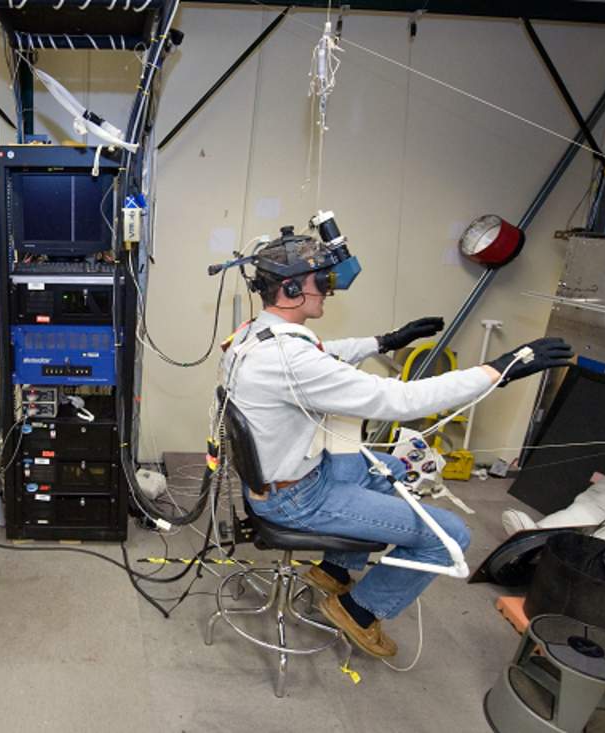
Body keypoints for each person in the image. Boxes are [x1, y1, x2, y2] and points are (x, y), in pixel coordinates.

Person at [220, 223, 572, 658]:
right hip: (296, 499)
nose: (330, 289)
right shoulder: (290, 360)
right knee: (450, 535)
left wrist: (385, 341)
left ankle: (334, 571)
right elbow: (400, 400)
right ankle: (359, 611)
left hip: (284, 479)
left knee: (389, 468)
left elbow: (320, 352)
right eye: (322, 281)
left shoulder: (254, 334)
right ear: (292, 289)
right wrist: (496, 371)